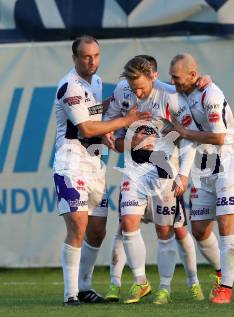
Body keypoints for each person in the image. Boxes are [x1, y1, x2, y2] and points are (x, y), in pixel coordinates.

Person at [53, 35, 149, 306]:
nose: (92, 60)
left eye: (95, 55)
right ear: (75, 58)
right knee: (79, 225)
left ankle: (84, 286)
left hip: (94, 165)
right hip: (71, 164)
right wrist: (125, 119)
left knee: (97, 229)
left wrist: (110, 103)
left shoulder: (93, 82)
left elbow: (91, 111)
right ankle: (70, 294)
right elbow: (86, 127)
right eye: (86, 56)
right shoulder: (69, 86)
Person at [103, 55, 207, 303]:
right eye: (132, 87)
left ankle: (168, 287)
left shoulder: (170, 95)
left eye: (141, 86)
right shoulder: (123, 91)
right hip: (134, 171)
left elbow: (189, 136)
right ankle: (140, 282)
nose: (136, 92)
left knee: (168, 230)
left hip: (164, 173)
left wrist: (182, 175)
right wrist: (124, 141)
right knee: (127, 223)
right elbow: (108, 129)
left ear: (153, 76)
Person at [165, 53, 234, 304]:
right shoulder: (183, 93)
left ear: (193, 75)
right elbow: (160, 86)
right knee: (199, 230)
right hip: (204, 168)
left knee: (225, 224)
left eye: (177, 78)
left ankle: (226, 288)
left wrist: (183, 132)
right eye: (171, 78)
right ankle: (222, 272)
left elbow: (219, 137)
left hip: (228, 166)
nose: (174, 82)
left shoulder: (210, 94)